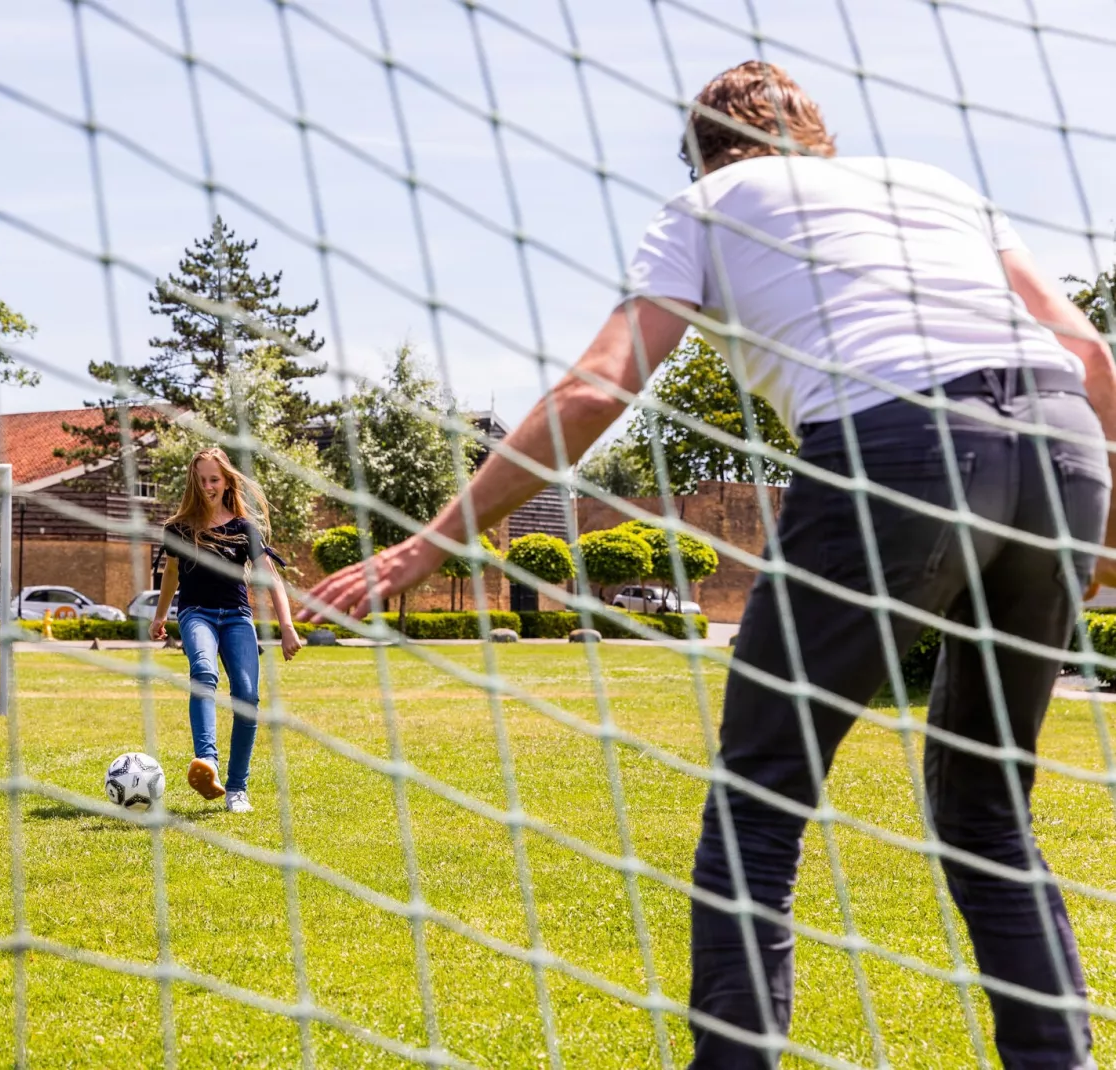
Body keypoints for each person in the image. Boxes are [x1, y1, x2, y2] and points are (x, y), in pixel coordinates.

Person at [301, 60, 1116, 1069]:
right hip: (1062, 445)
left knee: (758, 796)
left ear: (699, 150)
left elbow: (599, 390)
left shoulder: (707, 204)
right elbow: (1087, 354)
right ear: (815, 135)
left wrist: (426, 543)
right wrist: (1101, 530)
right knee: (987, 801)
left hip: (896, 447)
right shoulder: (931, 183)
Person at [153, 447, 304, 814]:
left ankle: (237, 789)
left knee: (247, 698)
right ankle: (207, 763)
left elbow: (272, 580)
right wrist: (159, 617)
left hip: (237, 616)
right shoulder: (178, 529)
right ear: (193, 482)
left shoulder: (242, 528)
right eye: (201, 479)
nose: (208, 485)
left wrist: (286, 627)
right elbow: (171, 574)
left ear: (225, 482)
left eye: (214, 479)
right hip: (196, 614)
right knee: (203, 672)